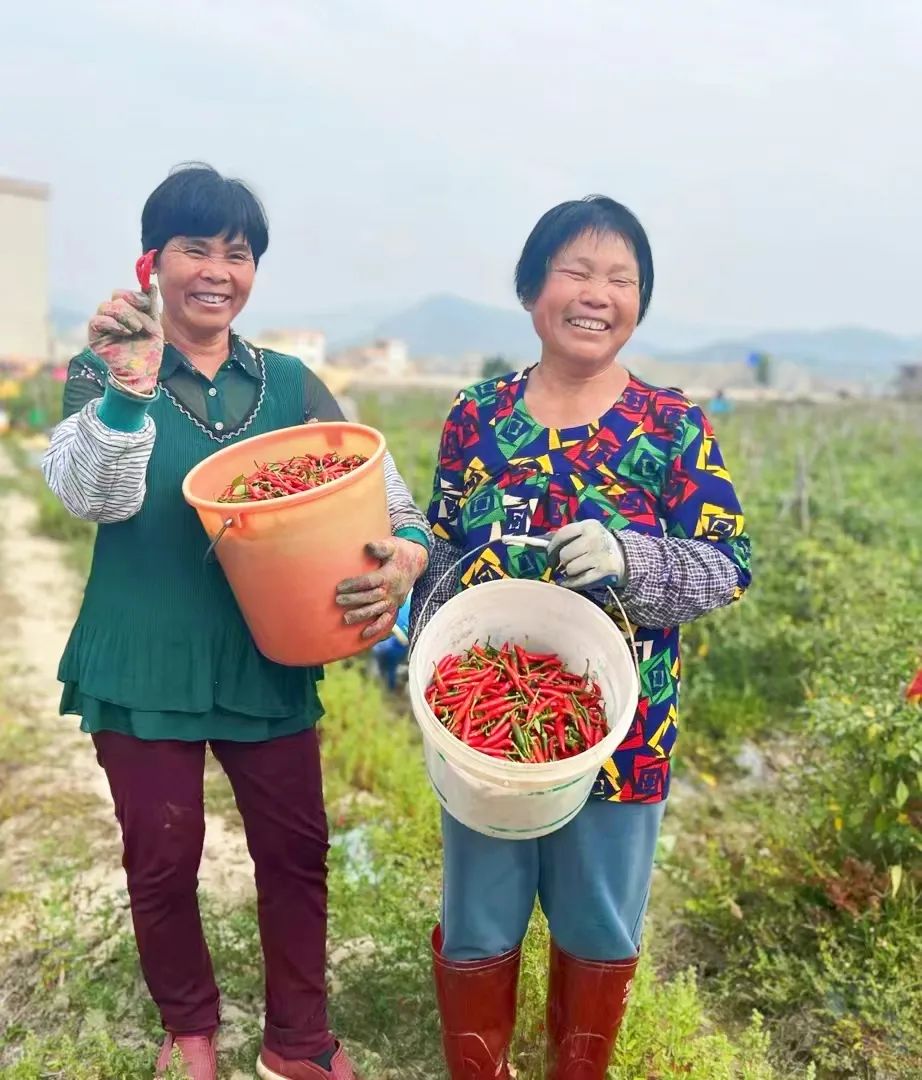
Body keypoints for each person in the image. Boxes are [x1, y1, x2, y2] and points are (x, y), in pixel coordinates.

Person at [41, 163, 431, 1080]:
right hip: (143, 655)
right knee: (163, 857)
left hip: (269, 654)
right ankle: (189, 1026)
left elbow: (388, 498)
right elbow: (90, 497)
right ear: (152, 262)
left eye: (239, 253)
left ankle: (298, 1041)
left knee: (295, 853)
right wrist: (128, 393)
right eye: (195, 248)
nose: (218, 270)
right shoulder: (101, 369)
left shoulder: (289, 384)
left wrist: (407, 555)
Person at [411, 195, 752, 1079]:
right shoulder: (477, 416)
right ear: (533, 289)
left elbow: (726, 563)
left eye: (622, 279)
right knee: (479, 921)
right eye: (576, 271)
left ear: (639, 303)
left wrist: (632, 559)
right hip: (488, 729)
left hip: (620, 729)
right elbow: (440, 548)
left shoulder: (672, 426)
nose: (598, 294)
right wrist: (419, 635)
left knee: (599, 927)